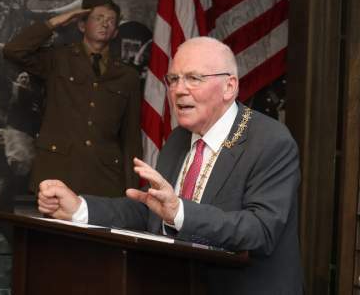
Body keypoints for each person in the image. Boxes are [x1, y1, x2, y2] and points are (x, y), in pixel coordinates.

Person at [37, 37, 303, 295]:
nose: (178, 89)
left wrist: (179, 212)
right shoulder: (178, 140)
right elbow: (152, 211)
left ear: (229, 87)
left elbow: (260, 230)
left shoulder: (270, 141)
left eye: (193, 78)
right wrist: (79, 209)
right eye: (173, 79)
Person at [3, 0, 142, 197]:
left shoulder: (127, 76)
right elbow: (13, 51)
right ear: (81, 25)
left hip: (105, 179)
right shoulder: (58, 59)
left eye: (111, 20)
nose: (105, 24)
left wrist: (132, 190)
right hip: (58, 173)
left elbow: (131, 138)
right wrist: (54, 22)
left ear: (116, 32)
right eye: (98, 17)